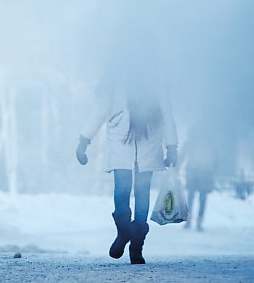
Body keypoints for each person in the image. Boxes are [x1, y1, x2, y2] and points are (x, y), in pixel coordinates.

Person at [75, 81, 178, 264]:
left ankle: (136, 245)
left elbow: (166, 113)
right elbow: (99, 111)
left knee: (142, 191)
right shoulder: (114, 81)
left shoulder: (157, 82)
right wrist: (84, 139)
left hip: (148, 141)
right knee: (122, 189)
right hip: (121, 142)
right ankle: (124, 230)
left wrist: (171, 146)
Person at [180, 122, 217, 232]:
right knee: (203, 198)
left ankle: (189, 221)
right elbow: (216, 158)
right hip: (206, 172)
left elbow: (183, 154)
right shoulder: (211, 142)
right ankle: (199, 222)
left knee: (191, 197)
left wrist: (176, 168)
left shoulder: (190, 141)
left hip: (192, 171)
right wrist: (213, 171)